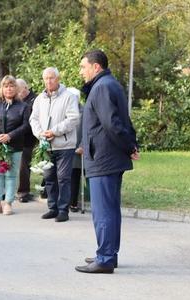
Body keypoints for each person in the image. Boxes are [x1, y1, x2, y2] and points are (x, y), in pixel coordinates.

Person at [75, 50, 138, 274]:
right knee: (109, 209)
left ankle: (105, 258)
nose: (81, 71)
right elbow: (122, 120)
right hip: (107, 157)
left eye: (84, 67)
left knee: (103, 211)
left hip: (103, 158)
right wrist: (130, 144)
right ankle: (109, 253)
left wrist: (129, 145)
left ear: (96, 67)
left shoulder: (101, 87)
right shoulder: (110, 84)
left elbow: (112, 123)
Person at [29, 67, 81, 223]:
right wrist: (40, 133)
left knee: (63, 178)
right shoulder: (39, 99)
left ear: (58, 79)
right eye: (46, 78)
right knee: (49, 177)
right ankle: (52, 208)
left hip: (64, 145)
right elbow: (33, 119)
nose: (48, 81)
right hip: (46, 145)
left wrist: (54, 131)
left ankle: (63, 209)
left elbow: (73, 119)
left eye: (51, 78)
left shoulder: (69, 97)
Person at [0, 75, 30, 215]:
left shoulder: (23, 106)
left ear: (16, 88)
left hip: (14, 146)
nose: (9, 89)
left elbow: (26, 125)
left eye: (12, 86)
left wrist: (10, 135)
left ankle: (8, 203)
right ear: (1, 88)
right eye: (6, 86)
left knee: (11, 175)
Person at [16, 78, 38, 202]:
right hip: (16, 137)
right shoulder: (17, 100)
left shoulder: (34, 99)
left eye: (19, 90)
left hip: (28, 138)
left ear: (25, 88)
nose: (17, 93)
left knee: (23, 165)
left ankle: (23, 192)